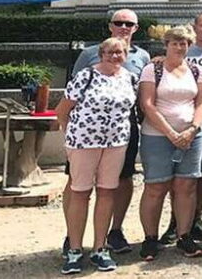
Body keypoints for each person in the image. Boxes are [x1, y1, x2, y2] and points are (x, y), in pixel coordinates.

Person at [61, 9, 150, 257]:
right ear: (110, 26)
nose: (124, 26)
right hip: (84, 136)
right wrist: (69, 135)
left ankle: (115, 231)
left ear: (136, 28)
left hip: (122, 132)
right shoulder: (89, 54)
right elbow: (69, 96)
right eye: (119, 22)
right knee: (77, 185)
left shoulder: (142, 56)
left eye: (129, 23)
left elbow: (142, 95)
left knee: (121, 180)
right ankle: (73, 236)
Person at [56, 37, 139, 275]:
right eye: (111, 52)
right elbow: (63, 111)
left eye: (120, 52)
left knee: (107, 192)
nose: (115, 56)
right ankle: (74, 250)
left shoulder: (129, 78)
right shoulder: (85, 76)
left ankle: (100, 247)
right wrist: (71, 139)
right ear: (101, 54)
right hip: (84, 144)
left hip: (116, 143)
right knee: (80, 193)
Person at [138, 26, 202, 261]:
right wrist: (170, 133)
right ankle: (150, 238)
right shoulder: (153, 69)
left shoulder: (196, 70)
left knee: (186, 187)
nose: (180, 47)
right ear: (166, 44)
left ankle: (184, 235)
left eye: (184, 43)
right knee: (156, 187)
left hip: (192, 136)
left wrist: (193, 129)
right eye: (175, 43)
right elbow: (147, 104)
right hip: (158, 136)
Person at [159, 13, 202, 244]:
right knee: (177, 172)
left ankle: (196, 219)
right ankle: (175, 222)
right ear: (194, 28)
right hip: (181, 117)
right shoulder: (183, 49)